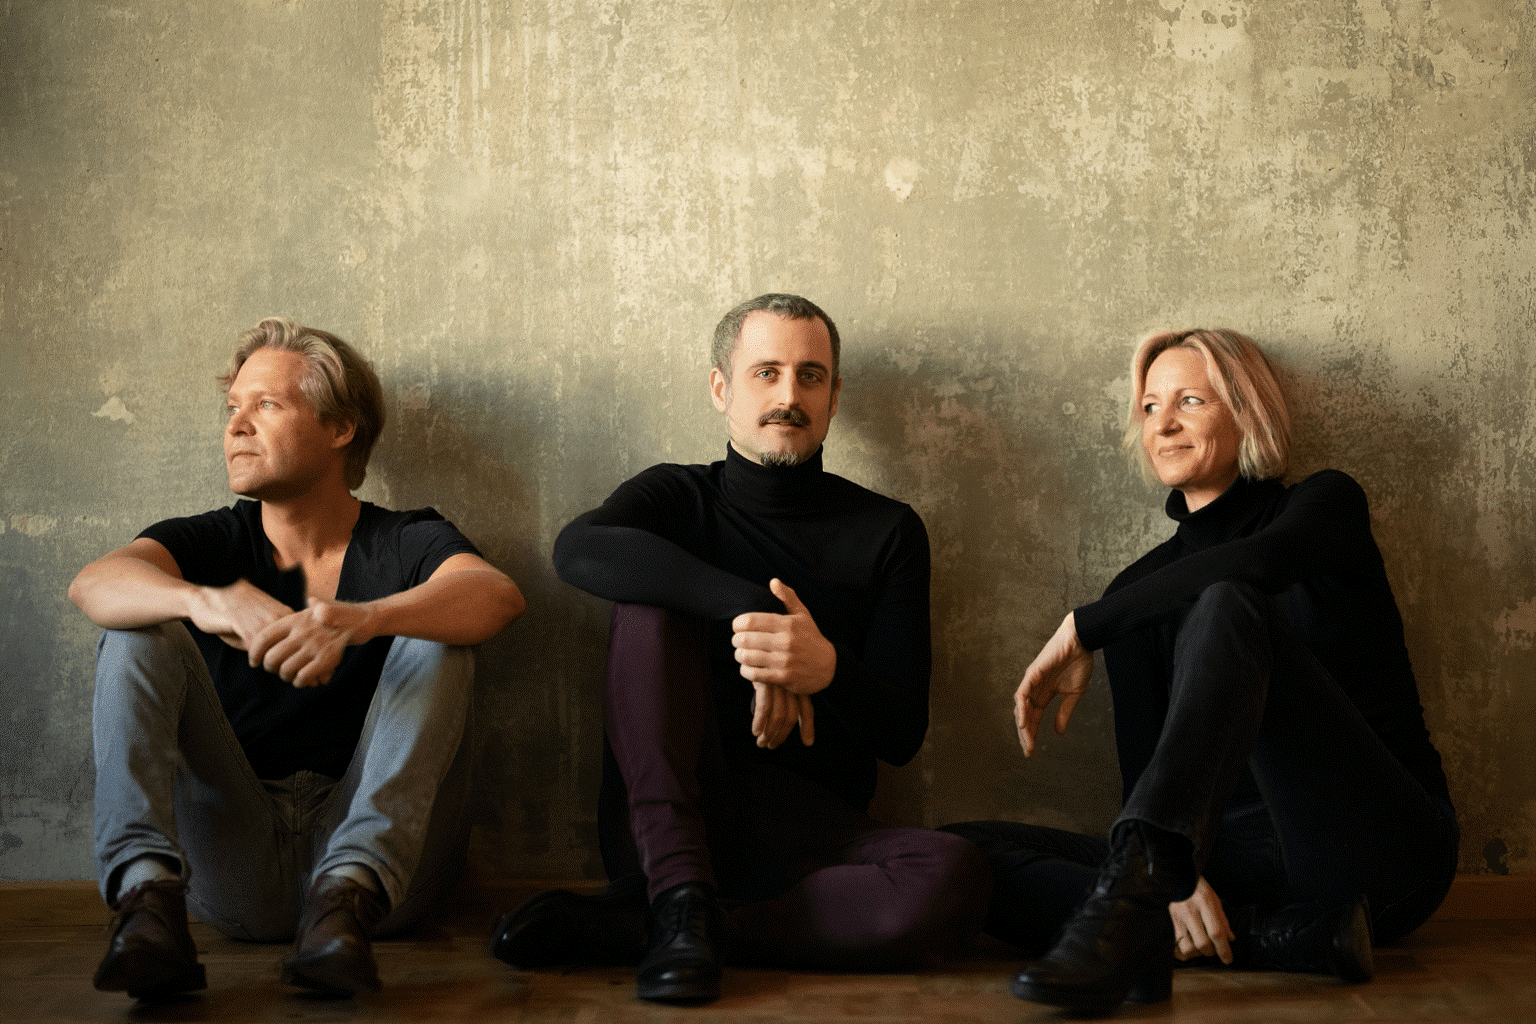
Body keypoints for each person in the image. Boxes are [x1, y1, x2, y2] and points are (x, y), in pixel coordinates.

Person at [490, 293, 990, 1003]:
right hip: (666, 820)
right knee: (647, 601)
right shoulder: (676, 498)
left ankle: (659, 926)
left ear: (834, 396)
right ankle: (678, 892)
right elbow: (577, 549)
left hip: (804, 840)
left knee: (953, 874)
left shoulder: (889, 531)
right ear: (721, 388)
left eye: (811, 376)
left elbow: (902, 733)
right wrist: (756, 610)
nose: (789, 396)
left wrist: (824, 668)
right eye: (766, 372)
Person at [947, 328, 1456, 1016]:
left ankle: (1157, 925)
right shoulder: (1136, 593)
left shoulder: (1324, 507)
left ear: (1247, 412)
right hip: (1234, 861)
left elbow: (1258, 563)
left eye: (1190, 400)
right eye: (1150, 406)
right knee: (959, 852)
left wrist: (1086, 626)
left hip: (1376, 849)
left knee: (1226, 605)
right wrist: (1179, 883)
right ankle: (1280, 938)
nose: (1164, 423)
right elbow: (1147, 777)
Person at [69, 317, 525, 1000]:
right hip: (236, 865)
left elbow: (496, 596)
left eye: (266, 404)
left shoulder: (407, 538)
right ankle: (145, 905)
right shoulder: (208, 542)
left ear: (340, 427)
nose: (236, 426)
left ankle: (346, 894)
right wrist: (206, 602)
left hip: (382, 886)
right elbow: (93, 584)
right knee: (137, 628)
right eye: (232, 408)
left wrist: (362, 619)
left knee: (437, 631)